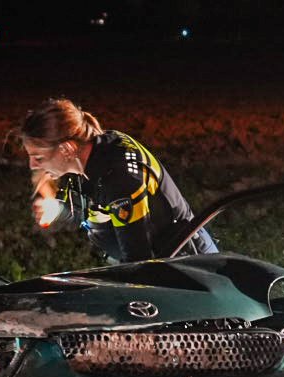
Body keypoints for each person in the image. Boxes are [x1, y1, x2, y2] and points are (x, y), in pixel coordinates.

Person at [19, 98, 214, 262]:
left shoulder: (120, 177)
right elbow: (94, 211)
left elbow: (138, 259)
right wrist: (59, 211)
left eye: (38, 157)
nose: (32, 166)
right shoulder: (85, 159)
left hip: (184, 267)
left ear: (67, 149)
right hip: (150, 265)